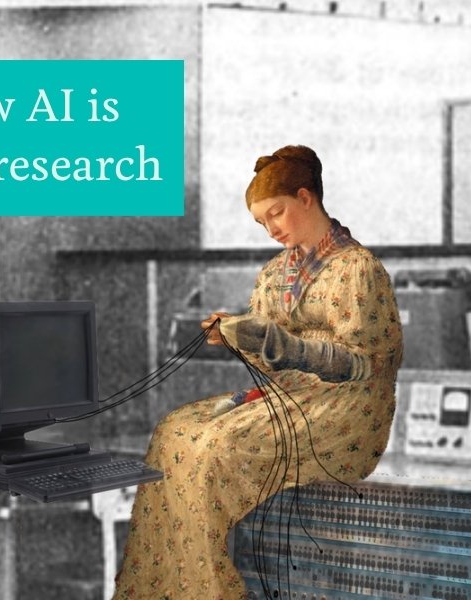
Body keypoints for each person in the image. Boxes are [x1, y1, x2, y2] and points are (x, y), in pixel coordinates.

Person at [113, 145, 403, 599]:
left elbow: (363, 363)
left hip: (347, 412)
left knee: (213, 445)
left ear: (307, 198)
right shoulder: (274, 275)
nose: (271, 229)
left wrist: (277, 343)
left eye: (277, 213)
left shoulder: (358, 269)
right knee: (173, 432)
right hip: (289, 400)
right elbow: (270, 358)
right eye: (261, 222)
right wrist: (238, 336)